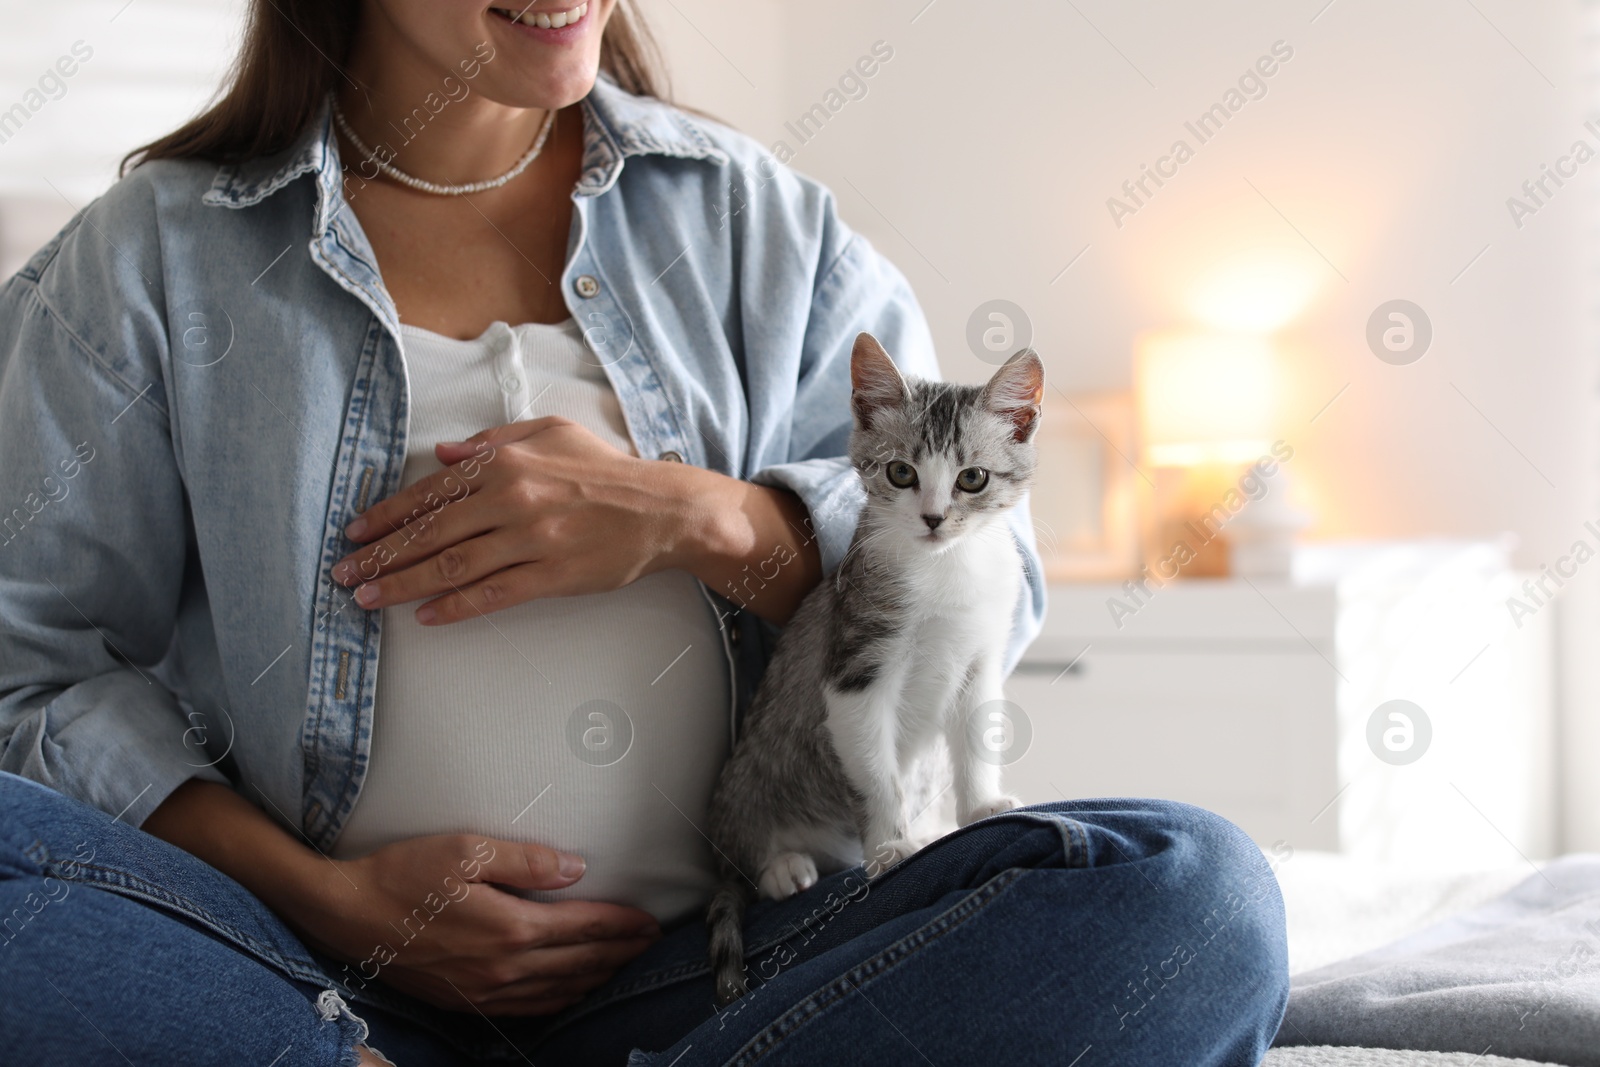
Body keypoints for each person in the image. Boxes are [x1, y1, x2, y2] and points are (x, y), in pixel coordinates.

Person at [0, 2, 1289, 1063]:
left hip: (724, 973)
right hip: (306, 984)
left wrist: (708, 519)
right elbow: (30, 674)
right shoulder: (154, 259)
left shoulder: (753, 222)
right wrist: (333, 902)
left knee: (1188, 893)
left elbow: (987, 593)